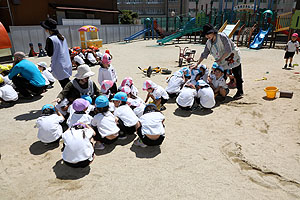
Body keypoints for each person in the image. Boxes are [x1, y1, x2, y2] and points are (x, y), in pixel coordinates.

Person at [197, 23, 243, 99]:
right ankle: (222, 91)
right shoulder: (208, 42)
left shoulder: (222, 37)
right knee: (221, 75)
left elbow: (228, 49)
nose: (207, 36)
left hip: (232, 57)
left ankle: (240, 92)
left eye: (209, 34)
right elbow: (204, 54)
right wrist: (197, 63)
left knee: (237, 74)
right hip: (221, 60)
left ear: (213, 32)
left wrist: (221, 59)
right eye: (206, 35)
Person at [41, 18, 72, 88]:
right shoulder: (62, 37)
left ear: (47, 29)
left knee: (66, 86)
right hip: (66, 63)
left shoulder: (50, 39)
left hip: (59, 65)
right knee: (67, 83)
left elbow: (49, 53)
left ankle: (74, 97)